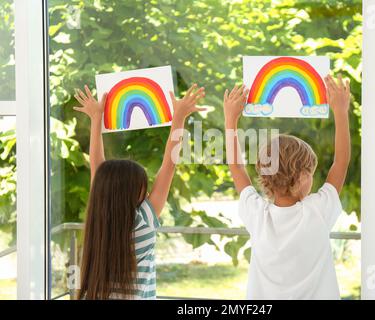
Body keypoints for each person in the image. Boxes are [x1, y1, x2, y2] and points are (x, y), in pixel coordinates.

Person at [223, 75, 351, 299]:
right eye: (310, 173)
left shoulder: (258, 214)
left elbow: (236, 167)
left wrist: (230, 119)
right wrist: (340, 111)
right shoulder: (317, 211)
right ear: (302, 177)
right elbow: (341, 162)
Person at [74, 84, 205, 299]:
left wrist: (96, 118)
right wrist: (179, 117)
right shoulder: (142, 222)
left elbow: (98, 169)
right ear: (135, 191)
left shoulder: (99, 219)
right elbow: (169, 165)